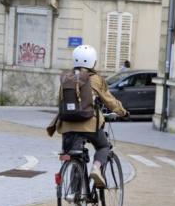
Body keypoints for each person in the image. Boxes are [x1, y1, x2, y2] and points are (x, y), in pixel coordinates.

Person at [47, 44, 128, 187]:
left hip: (67, 126)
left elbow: (60, 101)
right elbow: (109, 101)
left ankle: (75, 201)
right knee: (104, 147)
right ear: (93, 61)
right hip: (90, 125)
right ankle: (96, 168)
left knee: (72, 155)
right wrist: (123, 112)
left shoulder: (66, 78)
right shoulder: (96, 79)